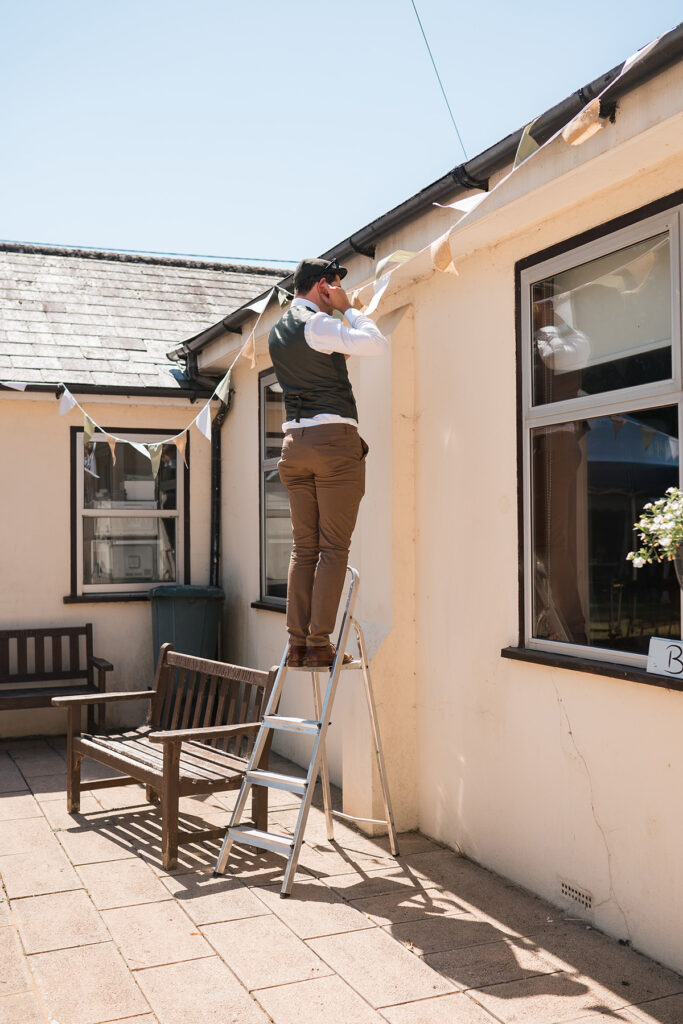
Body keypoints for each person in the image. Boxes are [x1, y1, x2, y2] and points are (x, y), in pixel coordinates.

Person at [268, 257, 389, 668]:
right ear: (323, 286)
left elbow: (322, 364)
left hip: (294, 444)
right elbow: (376, 343)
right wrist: (350, 308)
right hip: (333, 444)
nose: (338, 292)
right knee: (333, 549)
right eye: (335, 285)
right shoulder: (317, 323)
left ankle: (297, 645)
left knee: (304, 549)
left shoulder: (278, 330)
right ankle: (320, 645)